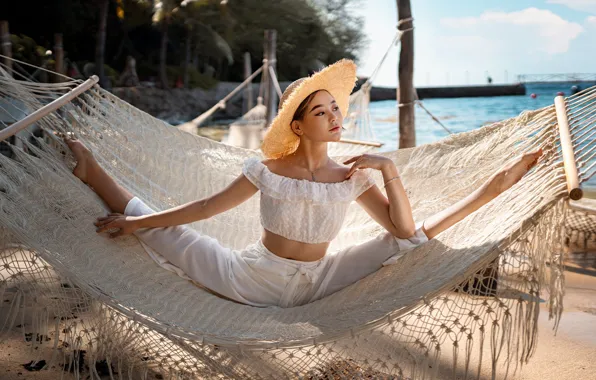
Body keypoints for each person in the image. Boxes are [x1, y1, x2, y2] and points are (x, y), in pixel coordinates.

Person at [64, 60, 542, 308]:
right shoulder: (268, 170)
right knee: (173, 233)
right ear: (297, 126)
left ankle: (493, 189)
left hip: (320, 283)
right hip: (249, 279)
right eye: (321, 111)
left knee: (410, 242)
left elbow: (401, 230)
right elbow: (206, 207)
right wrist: (133, 225)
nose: (334, 116)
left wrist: (387, 169)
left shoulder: (350, 177)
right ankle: (94, 172)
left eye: (335, 108)